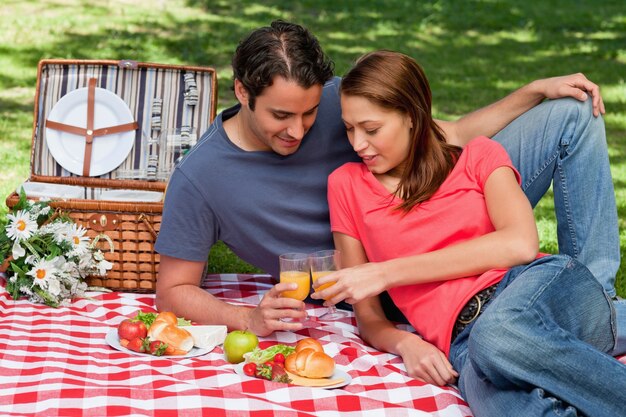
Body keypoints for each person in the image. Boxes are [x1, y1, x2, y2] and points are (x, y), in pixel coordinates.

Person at [154, 21, 622, 347]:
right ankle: (598, 322)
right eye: (281, 116)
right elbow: (173, 290)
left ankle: (595, 296)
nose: (298, 130)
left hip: (437, 210)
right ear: (242, 91)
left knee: (571, 111)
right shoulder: (200, 178)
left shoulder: (342, 103)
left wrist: (534, 90)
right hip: (385, 283)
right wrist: (247, 318)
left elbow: (450, 135)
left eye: (311, 113)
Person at [318, 50, 625, 416]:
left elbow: (520, 243)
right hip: (461, 344)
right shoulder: (345, 186)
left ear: (413, 117)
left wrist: (387, 271)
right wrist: (405, 343)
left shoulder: (477, 155)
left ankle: (600, 315)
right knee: (507, 406)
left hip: (529, 288)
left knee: (497, 336)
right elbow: (368, 316)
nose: (357, 144)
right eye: (349, 128)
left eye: (371, 129)